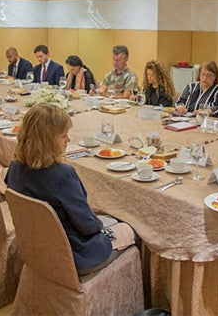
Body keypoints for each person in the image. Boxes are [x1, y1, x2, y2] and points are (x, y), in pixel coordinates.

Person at [7, 103, 132, 275]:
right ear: (47, 140)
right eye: (63, 136)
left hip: (35, 249)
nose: (68, 140)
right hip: (73, 256)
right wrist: (102, 223)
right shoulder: (62, 175)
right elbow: (87, 226)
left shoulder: (14, 167)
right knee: (132, 230)